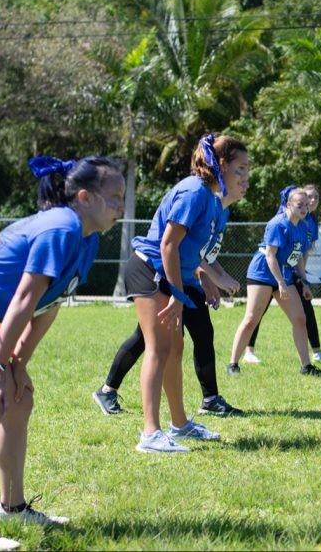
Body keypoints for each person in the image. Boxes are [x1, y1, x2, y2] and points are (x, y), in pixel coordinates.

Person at [0, 155, 124, 550]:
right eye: (114, 197)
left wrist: (18, 364)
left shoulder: (88, 238)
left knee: (17, 399)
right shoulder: (62, 228)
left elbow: (49, 304)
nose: (120, 206)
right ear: (84, 197)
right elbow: (24, 299)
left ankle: (11, 508)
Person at [127, 134, 249, 454]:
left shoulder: (210, 198)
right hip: (150, 270)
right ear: (220, 164)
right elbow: (167, 245)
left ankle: (179, 424)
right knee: (158, 348)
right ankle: (149, 434)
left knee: (174, 350)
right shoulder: (195, 190)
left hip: (169, 276)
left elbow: (190, 252)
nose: (244, 176)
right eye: (240, 168)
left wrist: (203, 279)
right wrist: (178, 297)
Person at [92, 173, 247, 418]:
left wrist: (210, 276)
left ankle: (209, 399)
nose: (245, 180)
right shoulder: (202, 199)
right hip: (164, 274)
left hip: (187, 279)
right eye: (240, 172)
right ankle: (109, 391)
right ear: (223, 174)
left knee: (202, 333)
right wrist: (204, 277)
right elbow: (174, 247)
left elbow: (200, 253)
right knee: (150, 339)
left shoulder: (223, 212)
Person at [227, 188, 321, 376]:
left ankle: (306, 366)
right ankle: (233, 365)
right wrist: (280, 283)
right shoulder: (278, 224)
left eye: (306, 205)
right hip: (263, 273)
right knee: (251, 320)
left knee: (300, 319)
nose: (305, 208)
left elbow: (299, 257)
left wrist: (303, 283)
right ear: (288, 205)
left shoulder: (304, 227)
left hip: (284, 274)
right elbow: (270, 256)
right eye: (299, 204)